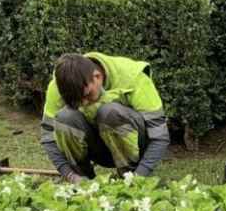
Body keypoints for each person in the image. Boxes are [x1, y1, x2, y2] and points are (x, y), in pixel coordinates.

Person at [40, 52, 169, 183]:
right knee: (65, 117)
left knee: (109, 112)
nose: (83, 103)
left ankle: (128, 175)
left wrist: (139, 176)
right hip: (98, 150)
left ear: (97, 76)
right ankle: (84, 180)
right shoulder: (60, 86)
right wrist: (70, 175)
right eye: (76, 100)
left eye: (87, 94)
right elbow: (48, 138)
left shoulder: (133, 77)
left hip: (135, 148)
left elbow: (159, 137)